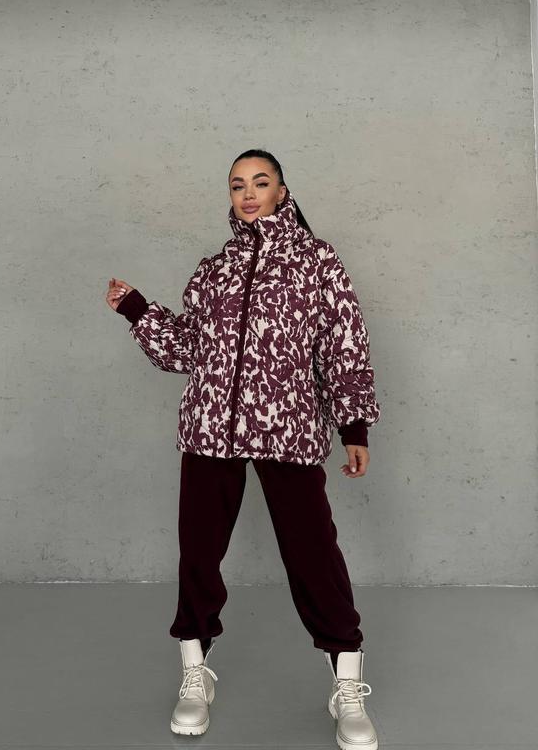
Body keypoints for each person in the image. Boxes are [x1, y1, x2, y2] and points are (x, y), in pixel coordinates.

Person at [105, 149, 381, 749]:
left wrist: (353, 426)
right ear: (230, 196)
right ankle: (194, 674)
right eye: (238, 185)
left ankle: (347, 683)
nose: (249, 193)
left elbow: (344, 344)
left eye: (260, 182)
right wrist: (137, 310)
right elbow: (188, 351)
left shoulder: (318, 261)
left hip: (288, 428)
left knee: (314, 555)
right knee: (199, 554)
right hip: (210, 428)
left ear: (282, 191)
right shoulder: (214, 270)